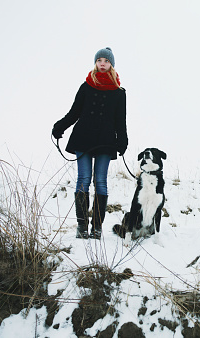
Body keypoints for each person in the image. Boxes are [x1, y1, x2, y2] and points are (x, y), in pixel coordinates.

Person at [52, 47, 128, 239]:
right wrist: (60, 126)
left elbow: (120, 120)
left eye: (106, 61)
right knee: (83, 179)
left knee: (100, 181)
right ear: (96, 63)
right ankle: (82, 226)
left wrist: (123, 140)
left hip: (105, 140)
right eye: (99, 60)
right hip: (84, 137)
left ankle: (97, 227)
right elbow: (74, 112)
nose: (102, 63)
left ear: (111, 65)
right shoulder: (86, 86)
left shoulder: (119, 93)